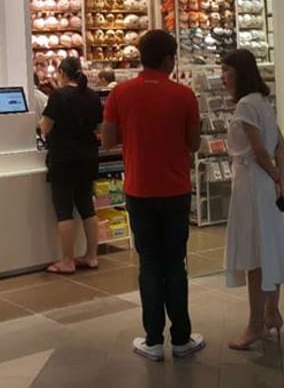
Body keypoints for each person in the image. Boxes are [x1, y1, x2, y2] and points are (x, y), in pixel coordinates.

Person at [102, 30, 204, 361]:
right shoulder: (184, 95)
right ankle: (182, 338)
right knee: (175, 262)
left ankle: (153, 340)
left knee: (148, 263)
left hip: (138, 189)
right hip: (175, 191)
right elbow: (194, 143)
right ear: (167, 59)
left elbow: (107, 140)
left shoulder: (121, 93)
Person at [221, 50, 284, 349]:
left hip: (251, 184)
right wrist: (280, 177)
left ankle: (255, 325)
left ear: (238, 72)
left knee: (254, 255)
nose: (223, 76)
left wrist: (275, 174)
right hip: (263, 184)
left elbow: (261, 150)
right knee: (269, 248)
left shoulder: (246, 105)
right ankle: (271, 313)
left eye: (225, 70)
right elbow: (281, 144)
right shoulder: (263, 102)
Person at [39, 57, 103, 274]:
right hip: (88, 157)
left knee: (64, 210)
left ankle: (67, 260)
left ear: (63, 74)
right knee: (87, 206)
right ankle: (92, 256)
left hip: (63, 159)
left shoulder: (59, 97)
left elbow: (45, 128)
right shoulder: (92, 96)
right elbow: (99, 128)